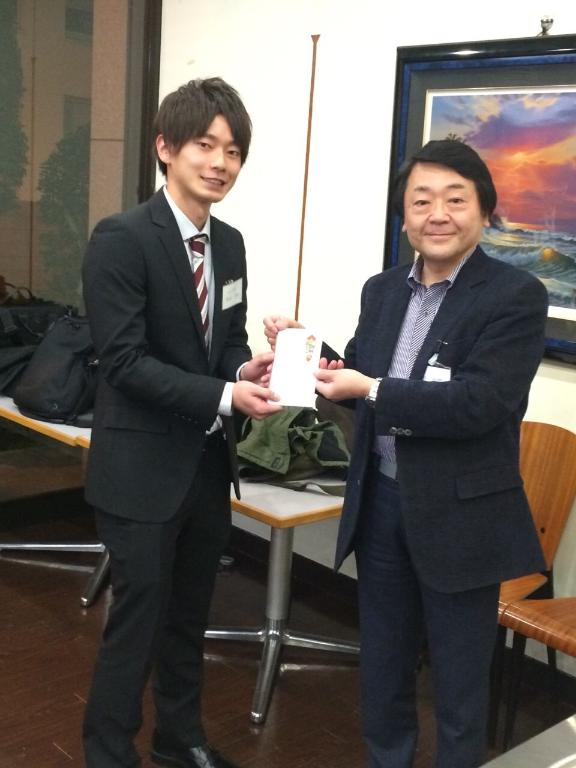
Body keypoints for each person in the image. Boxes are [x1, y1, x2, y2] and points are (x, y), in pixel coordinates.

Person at [264, 139, 548, 768]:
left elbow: (479, 403)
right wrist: (307, 350)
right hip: (382, 503)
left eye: (455, 199)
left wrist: (370, 388)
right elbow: (361, 373)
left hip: (460, 516)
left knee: (459, 684)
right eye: (421, 201)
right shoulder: (384, 289)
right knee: (383, 666)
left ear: (485, 211)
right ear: (404, 216)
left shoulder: (515, 295)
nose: (437, 214)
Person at [82, 77, 282, 768]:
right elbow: (124, 362)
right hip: (138, 471)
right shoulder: (121, 238)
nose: (220, 163)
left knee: (190, 618)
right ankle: (109, 752)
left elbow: (223, 344)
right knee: (136, 624)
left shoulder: (230, 245)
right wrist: (225, 395)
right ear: (165, 147)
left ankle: (180, 738)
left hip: (203, 468)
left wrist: (249, 368)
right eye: (205, 145)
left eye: (233, 151)